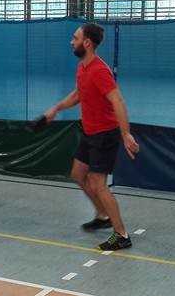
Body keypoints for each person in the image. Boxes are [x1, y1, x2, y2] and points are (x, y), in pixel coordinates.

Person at [43, 23, 139, 251]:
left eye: (75, 38)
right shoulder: (82, 67)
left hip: (104, 134)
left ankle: (122, 235)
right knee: (78, 174)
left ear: (86, 43)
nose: (71, 42)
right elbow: (78, 94)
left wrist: (126, 133)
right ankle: (103, 215)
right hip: (89, 131)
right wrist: (57, 108)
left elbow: (118, 100)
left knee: (98, 183)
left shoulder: (99, 70)